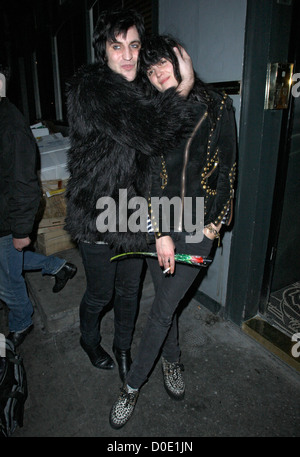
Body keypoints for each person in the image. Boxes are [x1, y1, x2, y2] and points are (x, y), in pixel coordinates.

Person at [109, 35, 237, 429]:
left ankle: (131, 388)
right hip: (156, 222)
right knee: (168, 306)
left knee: (162, 309)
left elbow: (228, 171)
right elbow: (147, 176)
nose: (158, 72)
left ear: (182, 58)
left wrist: (214, 227)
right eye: (150, 69)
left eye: (163, 62)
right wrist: (160, 231)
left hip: (200, 226)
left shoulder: (218, 107)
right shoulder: (154, 113)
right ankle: (172, 361)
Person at [65, 10, 195, 381]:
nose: (126, 55)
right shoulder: (93, 88)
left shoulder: (140, 88)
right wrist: (181, 88)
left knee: (129, 292)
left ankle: (123, 347)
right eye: (116, 45)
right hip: (96, 215)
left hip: (133, 214)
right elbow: (152, 131)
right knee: (101, 294)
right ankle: (89, 339)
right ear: (102, 50)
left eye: (133, 46)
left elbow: (159, 155)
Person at [0, 66, 77, 348]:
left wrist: (21, 230)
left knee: (8, 279)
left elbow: (25, 185)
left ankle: (22, 322)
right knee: (8, 263)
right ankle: (58, 266)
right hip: (4, 216)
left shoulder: (10, 125)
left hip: (7, 220)